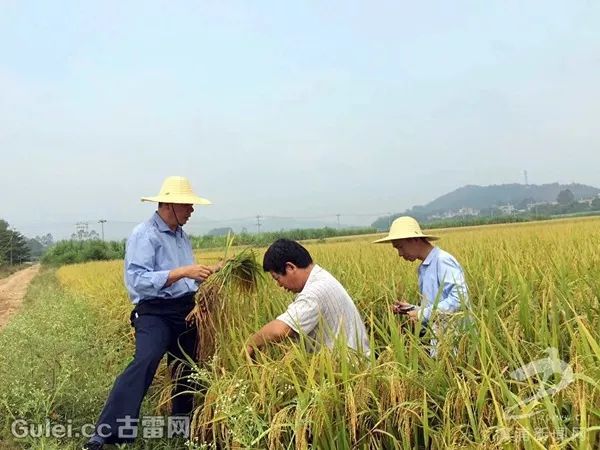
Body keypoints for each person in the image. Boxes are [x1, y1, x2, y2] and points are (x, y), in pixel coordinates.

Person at [84, 176, 220, 450]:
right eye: (187, 206)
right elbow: (138, 280)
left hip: (184, 310)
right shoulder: (143, 235)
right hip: (154, 312)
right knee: (144, 361)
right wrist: (184, 271)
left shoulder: (181, 236)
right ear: (169, 205)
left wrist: (211, 274)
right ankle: (104, 435)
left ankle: (182, 430)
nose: (191, 211)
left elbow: (187, 281)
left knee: (187, 369)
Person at [246, 239, 370, 358]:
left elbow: (280, 330)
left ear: (290, 267)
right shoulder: (322, 277)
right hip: (354, 361)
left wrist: (251, 343)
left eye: (277, 278)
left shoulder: (314, 292)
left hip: (350, 370)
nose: (279, 285)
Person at [373, 216, 468, 353]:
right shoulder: (424, 268)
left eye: (400, 247)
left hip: (457, 344)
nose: (400, 254)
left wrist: (421, 314)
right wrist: (411, 309)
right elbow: (436, 306)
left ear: (414, 239)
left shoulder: (442, 261)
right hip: (440, 343)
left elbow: (460, 299)